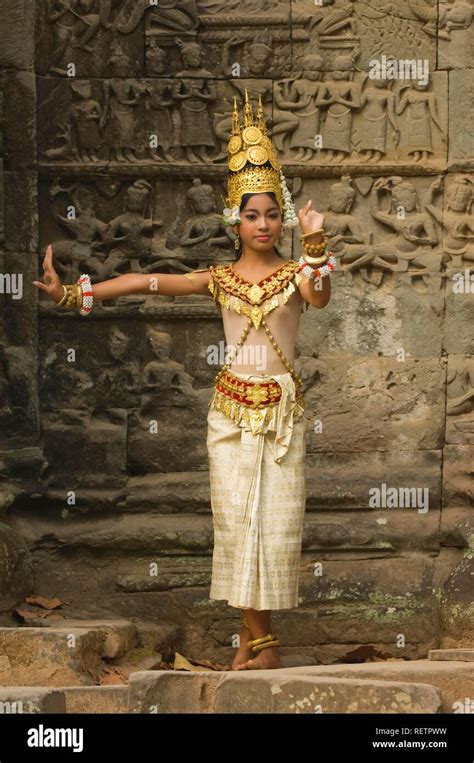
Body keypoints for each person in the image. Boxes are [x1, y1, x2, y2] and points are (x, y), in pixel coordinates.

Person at [32, 91, 335, 671]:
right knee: (236, 521)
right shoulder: (218, 277)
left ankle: (257, 643)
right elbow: (149, 281)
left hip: (278, 414)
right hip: (229, 412)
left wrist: (316, 241)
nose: (265, 224)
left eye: (273, 214)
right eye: (252, 214)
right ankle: (259, 645)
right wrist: (75, 294)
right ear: (234, 219)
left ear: (283, 218)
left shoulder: (300, 272)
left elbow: (320, 298)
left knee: (274, 526)